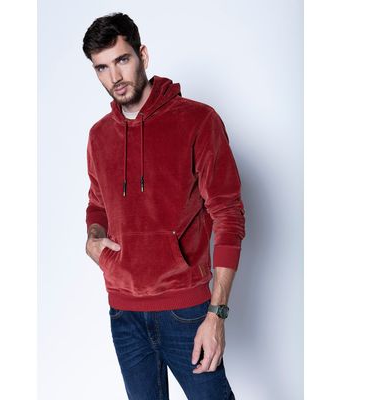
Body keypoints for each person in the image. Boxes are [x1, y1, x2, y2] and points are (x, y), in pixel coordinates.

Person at [82, 12, 246, 400]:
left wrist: (217, 314)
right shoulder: (99, 136)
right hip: (124, 313)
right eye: (102, 67)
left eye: (122, 60)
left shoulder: (198, 121)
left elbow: (228, 214)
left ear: (143, 55)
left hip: (185, 311)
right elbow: (97, 205)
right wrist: (95, 239)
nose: (115, 77)